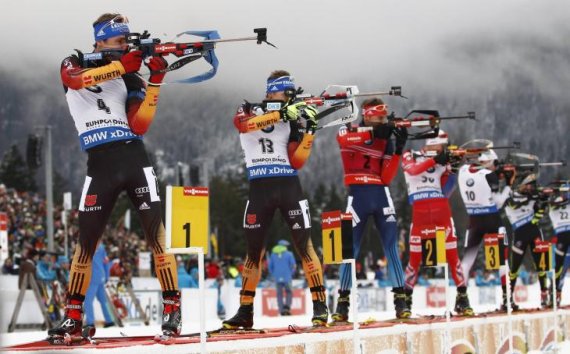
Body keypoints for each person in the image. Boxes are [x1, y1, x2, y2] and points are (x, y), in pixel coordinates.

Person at [48, 13, 181, 341]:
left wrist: (155, 81)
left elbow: (140, 124)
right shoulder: (75, 60)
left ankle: (172, 309)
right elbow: (76, 79)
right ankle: (74, 316)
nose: (125, 45)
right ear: (100, 41)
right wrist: (123, 64)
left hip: (134, 158)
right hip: (99, 163)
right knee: (86, 244)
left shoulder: (131, 76)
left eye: (127, 41)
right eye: (119, 40)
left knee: (156, 237)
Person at [224, 70, 328, 329]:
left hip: (288, 185)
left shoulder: (292, 119)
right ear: (271, 92)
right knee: (253, 254)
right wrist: (280, 114)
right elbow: (243, 125)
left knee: (306, 248)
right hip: (259, 188)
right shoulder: (248, 108)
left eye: (292, 93)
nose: (290, 97)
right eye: (286, 93)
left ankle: (320, 306)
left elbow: (298, 161)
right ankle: (245, 310)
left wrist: (309, 131)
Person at [332, 98, 410, 321]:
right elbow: (344, 140)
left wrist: (398, 150)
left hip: (380, 195)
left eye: (385, 118)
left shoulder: (386, 141)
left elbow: (386, 177)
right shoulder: (348, 128)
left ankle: (401, 301)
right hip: (356, 197)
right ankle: (343, 303)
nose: (383, 121)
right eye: (379, 117)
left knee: (392, 248)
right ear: (366, 115)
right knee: (350, 251)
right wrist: (374, 134)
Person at [402, 130, 474, 316]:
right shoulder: (411, 155)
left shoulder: (443, 161)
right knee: (414, 260)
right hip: (419, 214)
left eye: (441, 147)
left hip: (441, 211)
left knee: (452, 257)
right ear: (427, 143)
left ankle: (462, 296)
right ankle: (406, 298)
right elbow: (412, 170)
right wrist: (436, 160)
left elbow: (447, 190)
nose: (438, 149)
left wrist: (454, 168)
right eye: (436, 145)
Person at [458, 148, 514, 310]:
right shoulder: (490, 175)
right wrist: (508, 185)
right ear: (490, 162)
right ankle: (507, 298)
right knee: (502, 261)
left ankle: (461, 298)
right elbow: (499, 202)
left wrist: (496, 174)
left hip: (473, 220)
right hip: (492, 219)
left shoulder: (462, 171)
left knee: (467, 261)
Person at [504, 173, 550, 308]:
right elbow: (513, 205)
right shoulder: (510, 195)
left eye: (531, 186)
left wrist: (543, 201)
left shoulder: (533, 196)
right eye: (527, 185)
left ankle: (544, 294)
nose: (529, 188)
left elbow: (539, 214)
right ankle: (508, 298)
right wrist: (531, 197)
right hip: (519, 234)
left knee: (541, 266)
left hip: (534, 232)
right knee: (514, 268)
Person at [549, 182, 570, 306]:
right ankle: (555, 293)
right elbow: (553, 203)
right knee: (560, 268)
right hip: (562, 235)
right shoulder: (556, 201)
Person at [83, 243, 114, 328]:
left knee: (88, 301)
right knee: (103, 300)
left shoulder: (87, 246)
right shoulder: (101, 247)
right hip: (101, 276)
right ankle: (109, 320)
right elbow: (106, 262)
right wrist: (106, 276)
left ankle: (90, 322)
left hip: (92, 277)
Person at [268, 239, 296, 316]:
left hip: (277, 278)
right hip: (287, 277)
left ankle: (281, 310)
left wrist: (274, 274)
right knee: (289, 292)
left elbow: (270, 267)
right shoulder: (289, 254)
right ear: (285, 246)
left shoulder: (273, 255)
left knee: (279, 294)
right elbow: (293, 266)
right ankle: (287, 307)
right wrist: (291, 274)